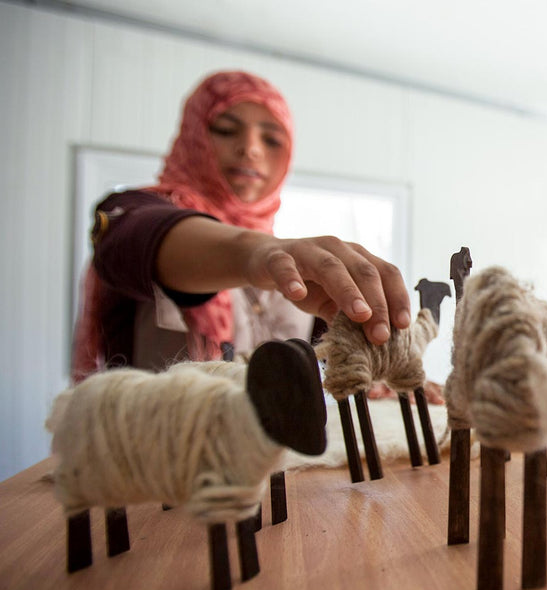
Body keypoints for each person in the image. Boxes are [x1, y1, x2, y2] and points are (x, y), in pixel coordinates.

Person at [71, 70, 412, 384]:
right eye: (225, 130)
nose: (250, 149)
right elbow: (132, 240)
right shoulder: (138, 212)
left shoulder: (296, 268)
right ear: (193, 136)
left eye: (272, 139)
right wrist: (259, 254)